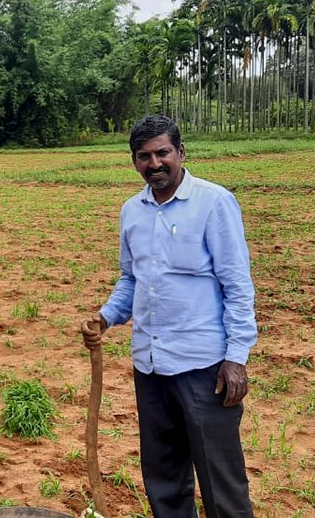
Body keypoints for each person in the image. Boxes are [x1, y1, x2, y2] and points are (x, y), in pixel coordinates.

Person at [81, 114, 256, 518]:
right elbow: (131, 279)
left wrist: (237, 358)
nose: (154, 164)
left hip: (204, 366)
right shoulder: (132, 211)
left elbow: (238, 286)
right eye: (144, 156)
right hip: (150, 364)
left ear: (181, 152)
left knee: (221, 481)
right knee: (163, 477)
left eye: (163, 153)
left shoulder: (214, 203)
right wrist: (106, 317)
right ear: (134, 162)